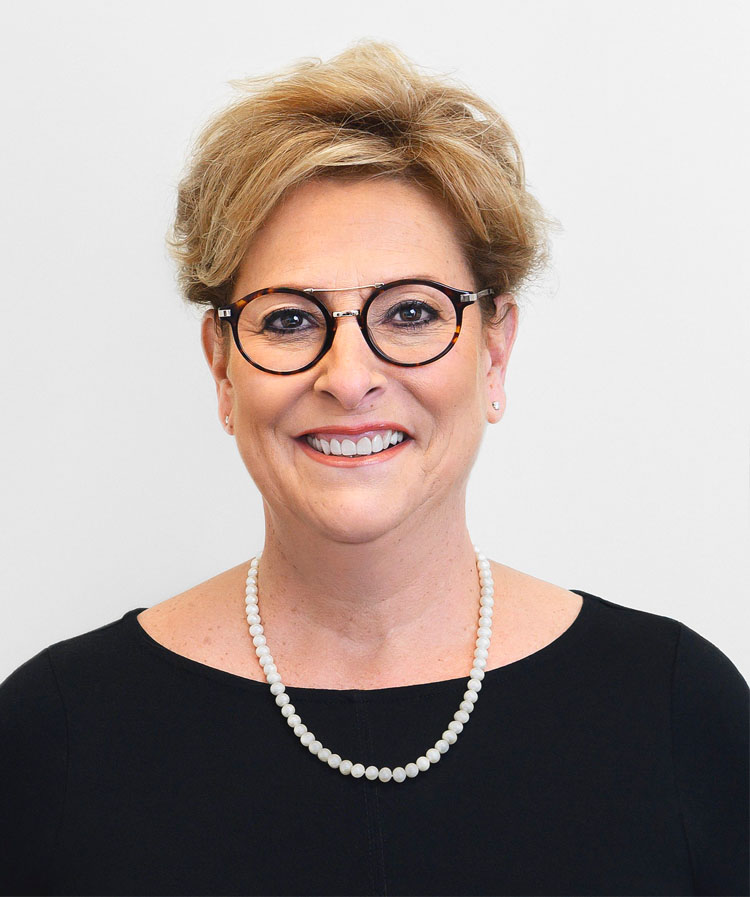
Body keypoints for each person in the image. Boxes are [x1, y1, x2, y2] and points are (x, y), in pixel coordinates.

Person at [1, 40, 747, 897]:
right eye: (288, 319)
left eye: (411, 312)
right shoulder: (54, 736)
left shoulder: (677, 711)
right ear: (222, 367)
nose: (349, 377)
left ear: (494, 351)